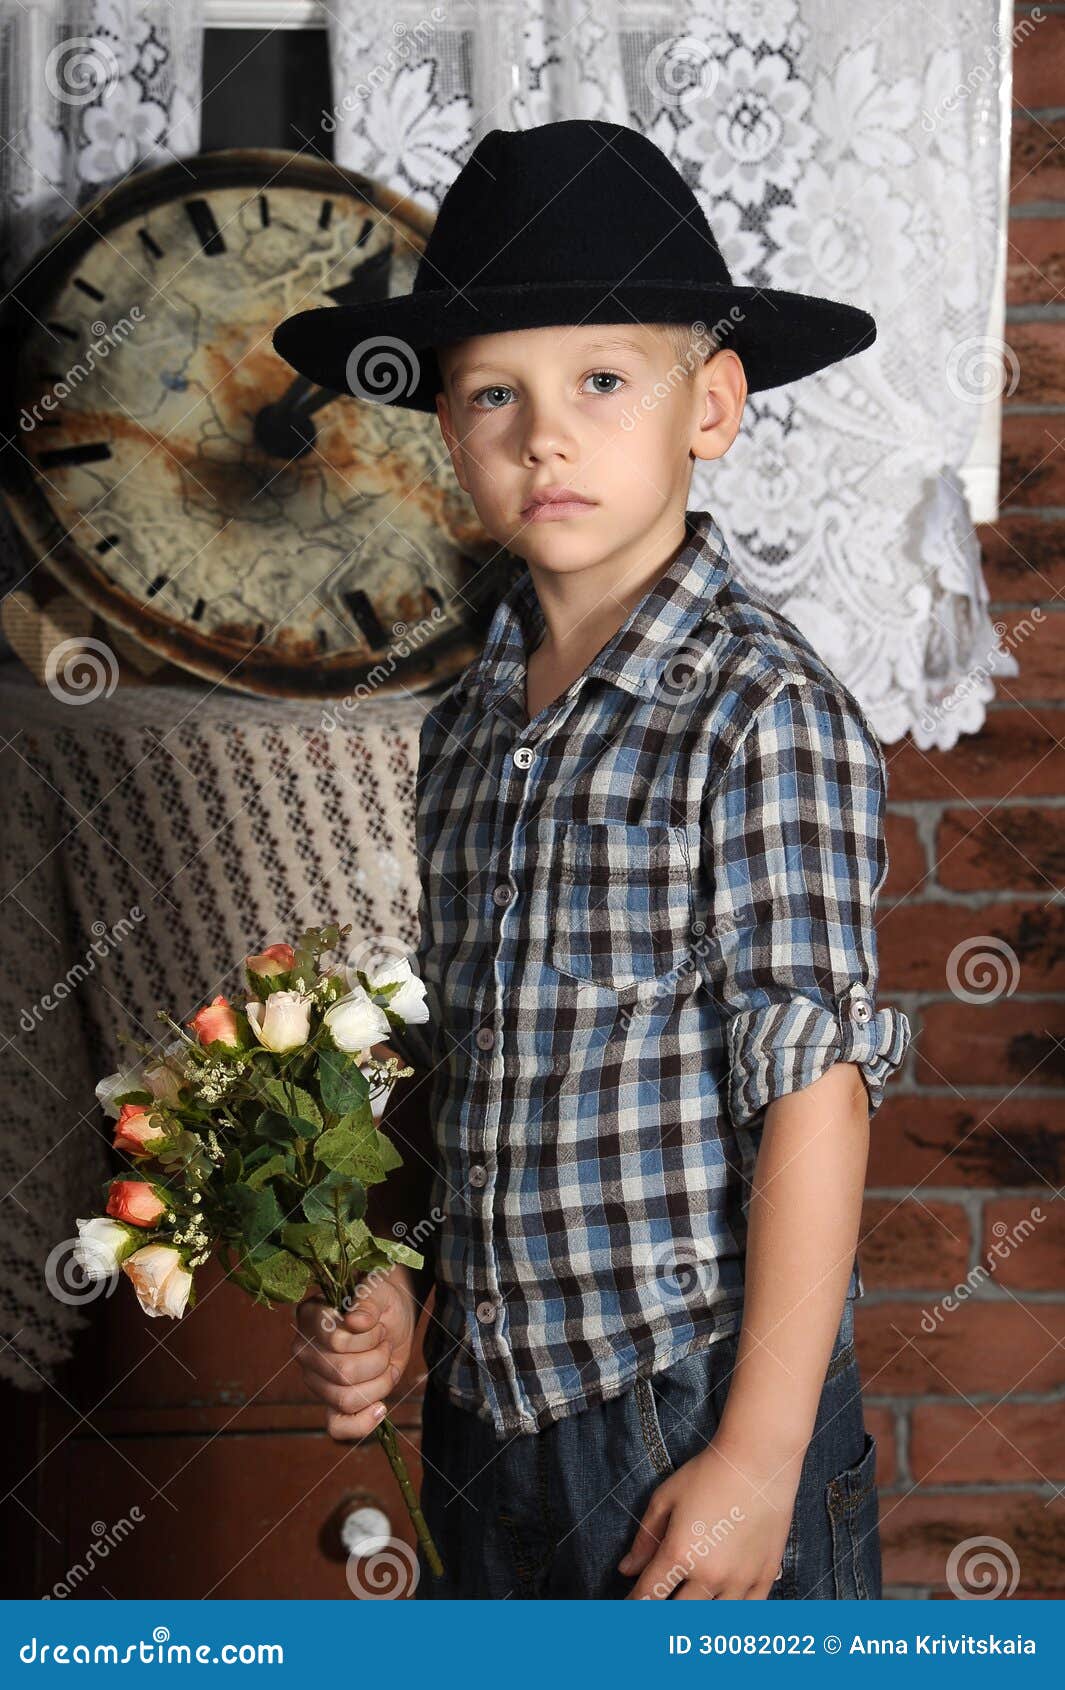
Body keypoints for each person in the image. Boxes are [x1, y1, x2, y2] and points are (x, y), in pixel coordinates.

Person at [276, 119, 911, 1601]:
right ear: (443, 428)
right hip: (485, 1415)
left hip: (680, 1401)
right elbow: (471, 1067)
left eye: (600, 382)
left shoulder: (761, 714)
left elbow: (812, 1089)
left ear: (712, 408)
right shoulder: (465, 725)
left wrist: (757, 1457)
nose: (541, 435)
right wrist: (401, 1281)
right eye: (492, 393)